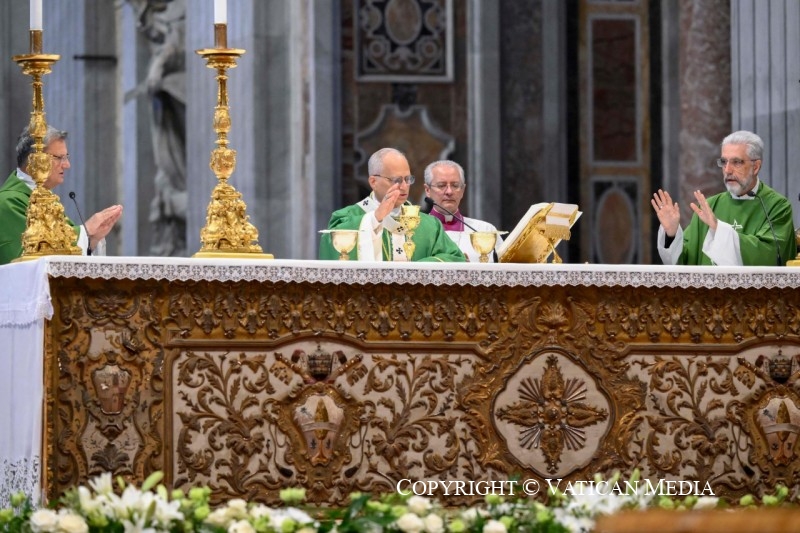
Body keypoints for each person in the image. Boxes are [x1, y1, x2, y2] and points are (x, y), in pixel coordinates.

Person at [652, 130, 796, 266]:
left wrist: (717, 228)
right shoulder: (709, 207)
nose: (727, 170)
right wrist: (671, 234)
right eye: (724, 162)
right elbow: (685, 263)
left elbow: (769, 255)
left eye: (736, 162)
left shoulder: (777, 206)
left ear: (756, 167)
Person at [0, 126, 123, 265]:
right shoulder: (8, 202)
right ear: (34, 160)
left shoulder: (48, 201)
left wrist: (92, 239)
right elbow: (30, 261)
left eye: (66, 157)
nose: (67, 165)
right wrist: (86, 231)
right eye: (59, 158)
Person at [319, 148, 465, 262]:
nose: (404, 186)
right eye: (396, 180)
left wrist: (417, 270)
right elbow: (331, 249)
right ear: (373, 182)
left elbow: (455, 258)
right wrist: (375, 218)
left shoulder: (430, 225)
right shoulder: (347, 217)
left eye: (408, 179)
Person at [423, 160, 503, 262]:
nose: (449, 192)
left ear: (463, 190)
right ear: (427, 190)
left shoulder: (485, 231)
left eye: (455, 185)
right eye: (441, 185)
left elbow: (506, 267)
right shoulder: (417, 230)